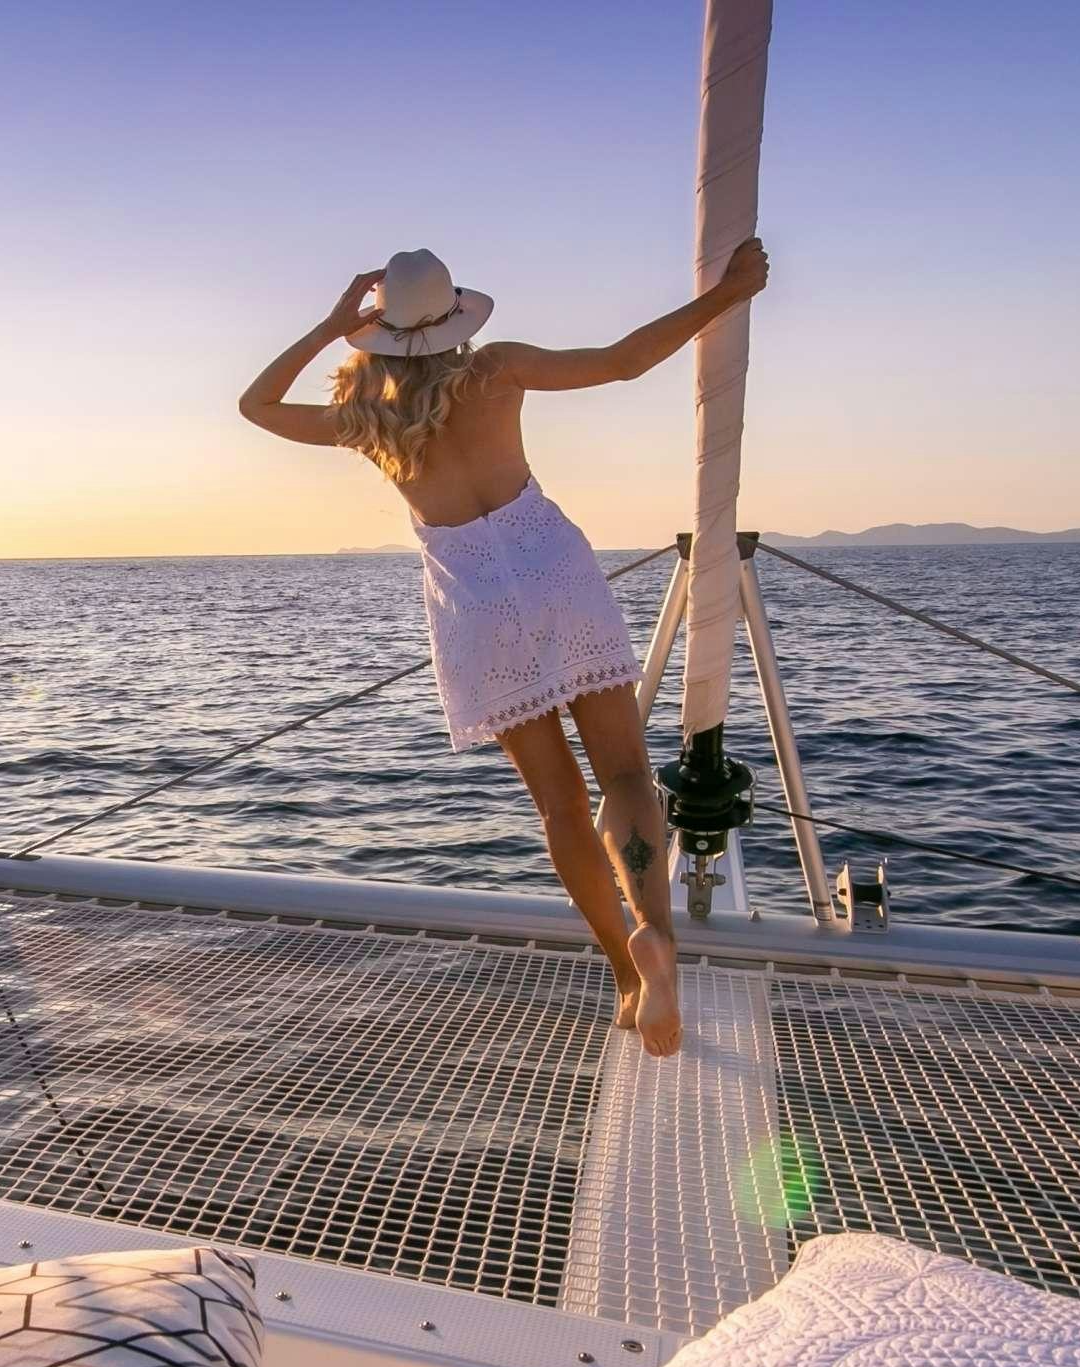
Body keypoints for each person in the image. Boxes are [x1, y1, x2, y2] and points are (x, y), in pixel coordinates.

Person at [237, 239, 770, 1057]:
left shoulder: (367, 419)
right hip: (552, 568)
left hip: (474, 603)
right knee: (625, 773)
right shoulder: (497, 371)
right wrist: (728, 293)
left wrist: (328, 326)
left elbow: (257, 407)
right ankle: (655, 938)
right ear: (455, 318)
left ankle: (626, 980)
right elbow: (625, 362)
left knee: (559, 805)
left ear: (378, 332)